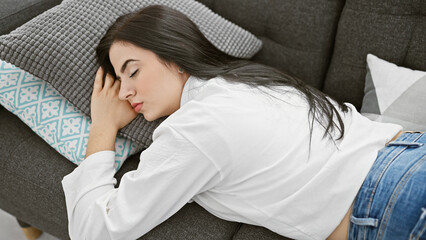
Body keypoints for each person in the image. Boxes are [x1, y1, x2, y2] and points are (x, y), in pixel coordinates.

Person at [61, 5, 426, 240]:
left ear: (175, 56)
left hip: (392, 197)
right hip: (409, 155)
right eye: (117, 80)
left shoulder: (196, 128)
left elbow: (94, 231)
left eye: (132, 72)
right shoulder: (247, 80)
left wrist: (103, 127)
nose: (123, 92)